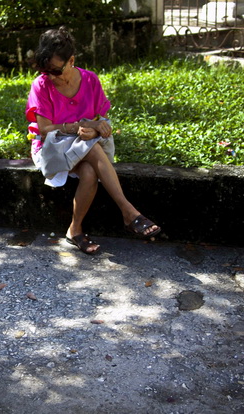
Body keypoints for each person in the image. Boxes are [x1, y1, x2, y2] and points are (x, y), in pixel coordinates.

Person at [26, 26, 160, 255]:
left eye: (57, 70)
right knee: (92, 148)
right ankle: (128, 212)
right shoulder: (42, 84)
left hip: (81, 147)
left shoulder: (89, 80)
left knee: (89, 171)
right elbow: (46, 129)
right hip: (51, 148)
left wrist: (95, 131)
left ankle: (74, 231)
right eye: (46, 70)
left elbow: (100, 122)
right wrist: (80, 127)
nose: (51, 75)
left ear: (71, 60)